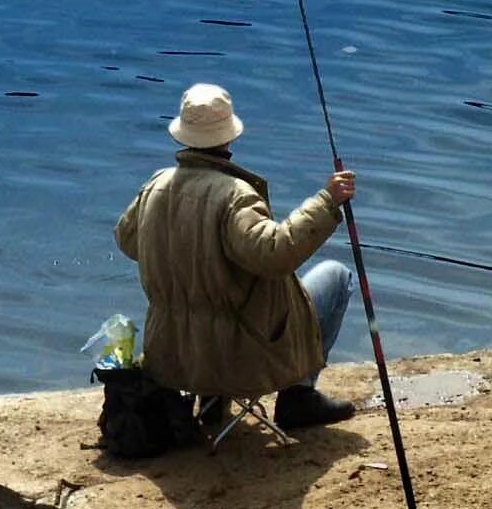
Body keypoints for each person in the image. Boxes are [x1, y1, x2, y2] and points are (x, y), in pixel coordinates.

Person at [115, 83, 358, 431]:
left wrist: (183, 252)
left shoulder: (156, 186)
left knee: (213, 297)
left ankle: (212, 401)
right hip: (237, 360)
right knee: (337, 275)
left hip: (173, 357)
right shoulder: (235, 196)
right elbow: (276, 254)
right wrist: (327, 201)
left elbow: (126, 240)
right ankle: (298, 396)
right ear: (229, 137)